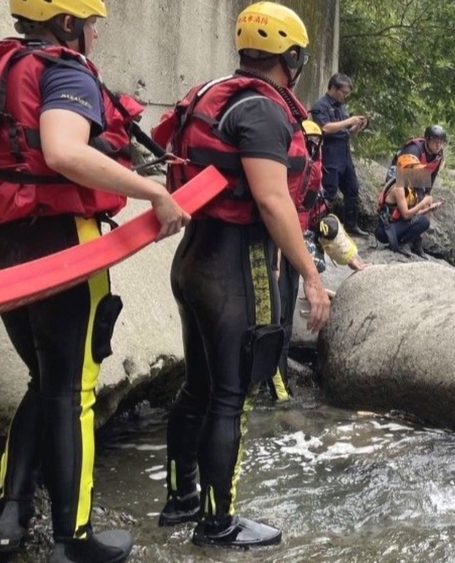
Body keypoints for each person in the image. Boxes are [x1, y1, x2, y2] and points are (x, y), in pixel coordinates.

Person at [0, 1, 190, 562]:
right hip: (64, 245)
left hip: (10, 245)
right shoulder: (64, 69)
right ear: (66, 22)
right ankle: (73, 539)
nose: (95, 36)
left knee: (44, 378)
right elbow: (62, 150)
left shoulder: (8, 66)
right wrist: (152, 191)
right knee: (72, 390)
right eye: (91, 25)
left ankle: (9, 517)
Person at [150, 1, 330, 548]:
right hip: (234, 265)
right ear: (291, 57)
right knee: (231, 397)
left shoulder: (215, 93)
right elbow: (274, 202)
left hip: (194, 258)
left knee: (199, 388)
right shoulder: (263, 111)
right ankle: (217, 521)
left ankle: (181, 499)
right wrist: (313, 278)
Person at [269, 120, 366, 403]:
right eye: (307, 141)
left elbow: (323, 223)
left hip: (294, 246)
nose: (311, 147)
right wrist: (275, 257)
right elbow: (274, 212)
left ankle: (278, 391)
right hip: (276, 246)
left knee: (284, 323)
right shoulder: (286, 171)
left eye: (315, 142)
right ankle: (275, 392)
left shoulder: (312, 174)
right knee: (278, 323)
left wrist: (353, 261)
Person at [309, 73, 369, 237]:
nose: (345, 96)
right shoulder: (320, 105)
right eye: (343, 92)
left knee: (352, 189)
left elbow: (348, 132)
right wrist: (349, 121)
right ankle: (322, 228)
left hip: (344, 151)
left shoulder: (342, 107)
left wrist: (357, 126)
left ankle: (351, 225)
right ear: (334, 88)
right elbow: (325, 128)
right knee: (329, 191)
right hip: (330, 152)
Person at [375, 167, 442, 257]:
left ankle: (400, 243)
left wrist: (429, 209)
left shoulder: (407, 188)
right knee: (423, 221)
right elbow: (406, 215)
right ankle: (399, 243)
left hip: (394, 226)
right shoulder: (398, 189)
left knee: (423, 221)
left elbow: (412, 214)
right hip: (384, 231)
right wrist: (423, 203)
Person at [383, 124, 448, 195]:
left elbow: (432, 176)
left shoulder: (438, 156)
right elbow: (404, 174)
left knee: (423, 196)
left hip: (416, 178)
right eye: (435, 142)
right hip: (397, 175)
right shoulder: (414, 149)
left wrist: (427, 194)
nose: (438, 145)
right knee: (413, 195)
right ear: (427, 139)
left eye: (441, 142)